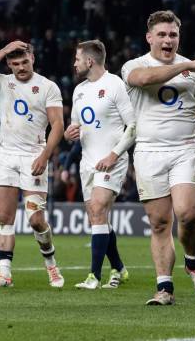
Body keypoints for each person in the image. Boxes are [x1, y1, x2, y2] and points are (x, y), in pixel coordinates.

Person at [121, 10, 195, 305]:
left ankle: (194, 263)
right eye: (161, 34)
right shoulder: (134, 65)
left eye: (173, 34)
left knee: (186, 214)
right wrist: (185, 67)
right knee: (159, 223)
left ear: (179, 37)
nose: (167, 40)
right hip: (147, 152)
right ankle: (164, 288)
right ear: (149, 38)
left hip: (185, 149)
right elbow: (145, 79)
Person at [0, 40, 65, 288]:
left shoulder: (48, 87)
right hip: (7, 157)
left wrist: (45, 156)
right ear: (8, 64)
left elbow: (58, 125)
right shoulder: (3, 82)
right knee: (4, 217)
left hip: (34, 156)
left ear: (32, 58)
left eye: (25, 61)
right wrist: (2, 49)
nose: (21, 67)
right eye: (15, 63)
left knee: (35, 219)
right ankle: (4, 275)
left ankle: (51, 266)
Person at [64, 40, 135, 290]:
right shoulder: (79, 90)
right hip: (88, 162)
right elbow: (76, 127)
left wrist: (114, 155)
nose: (75, 63)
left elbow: (133, 127)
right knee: (97, 217)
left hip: (111, 161)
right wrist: (68, 134)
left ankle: (94, 276)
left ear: (90, 61)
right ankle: (119, 268)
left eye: (77, 58)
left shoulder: (115, 84)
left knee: (97, 209)